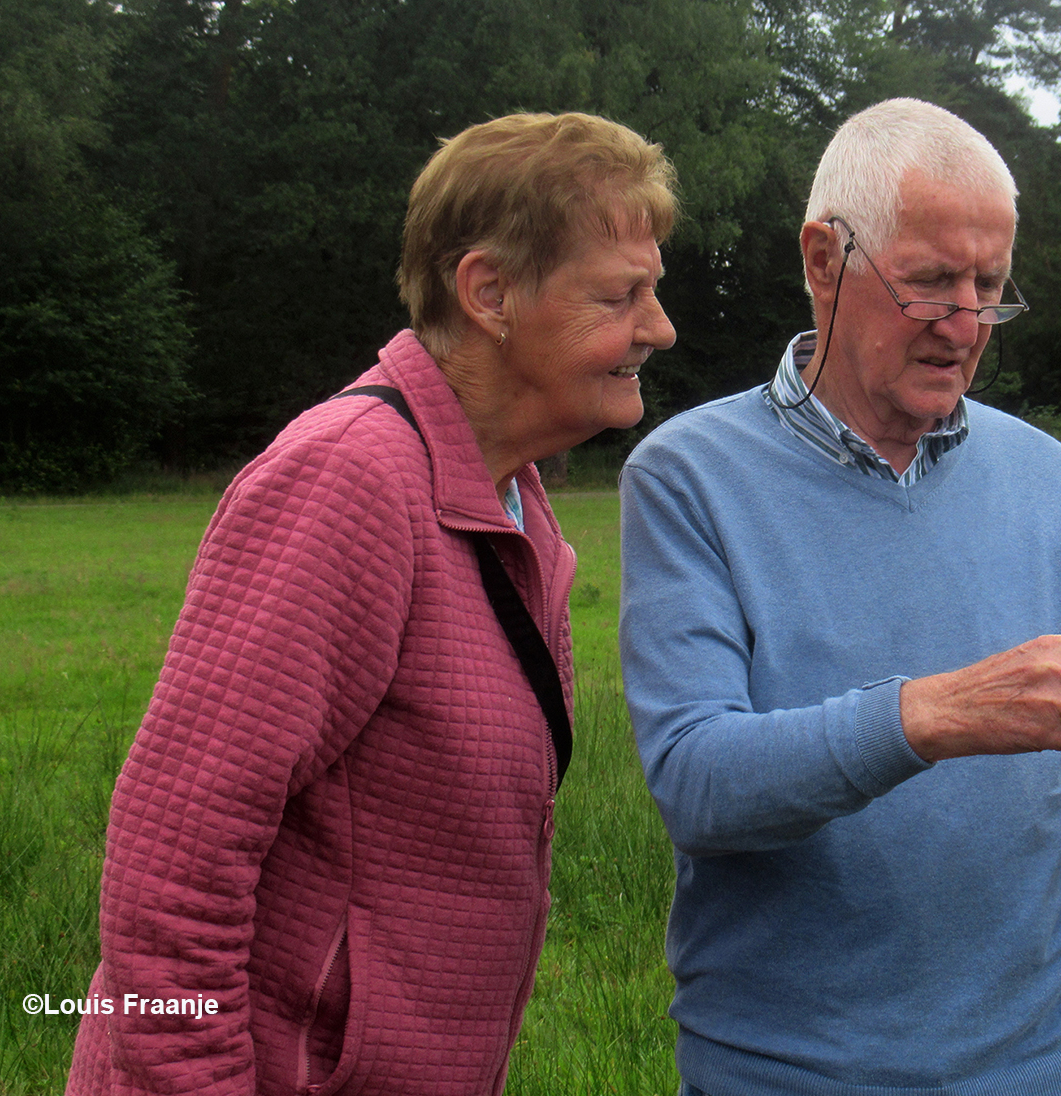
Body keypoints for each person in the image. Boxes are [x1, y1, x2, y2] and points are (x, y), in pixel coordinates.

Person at [618, 98, 1061, 1096]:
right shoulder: (689, 477)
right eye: (931, 283)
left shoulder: (1046, 479)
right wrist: (936, 713)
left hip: (1060, 1068)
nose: (965, 324)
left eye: (991, 286)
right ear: (824, 259)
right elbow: (697, 783)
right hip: (796, 1075)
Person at [65, 112, 678, 1095]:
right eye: (622, 294)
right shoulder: (349, 479)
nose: (659, 327)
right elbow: (168, 875)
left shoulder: (516, 508)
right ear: (489, 293)